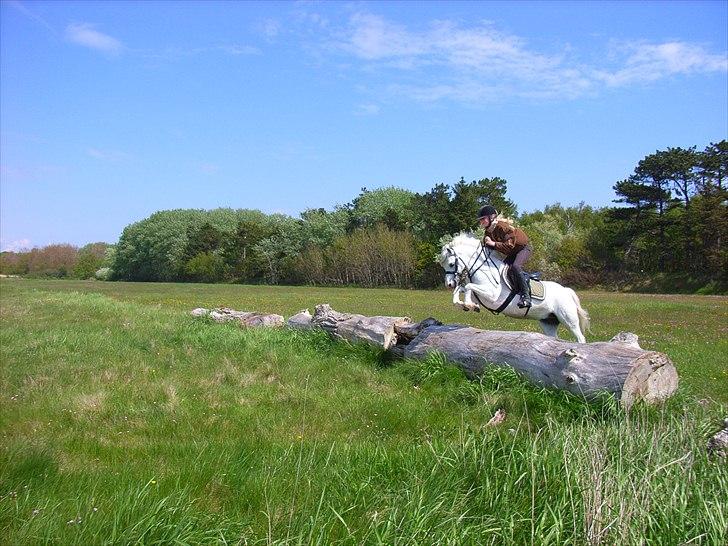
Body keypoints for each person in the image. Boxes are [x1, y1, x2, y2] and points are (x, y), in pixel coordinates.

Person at [477, 205, 533, 308]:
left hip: (523, 249)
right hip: (512, 253)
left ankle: (526, 297)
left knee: (515, 267)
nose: (481, 222)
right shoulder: (488, 231)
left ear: (492, 217)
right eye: (480, 220)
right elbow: (487, 248)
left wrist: (493, 244)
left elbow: (509, 246)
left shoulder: (502, 227)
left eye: (483, 219)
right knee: (501, 270)